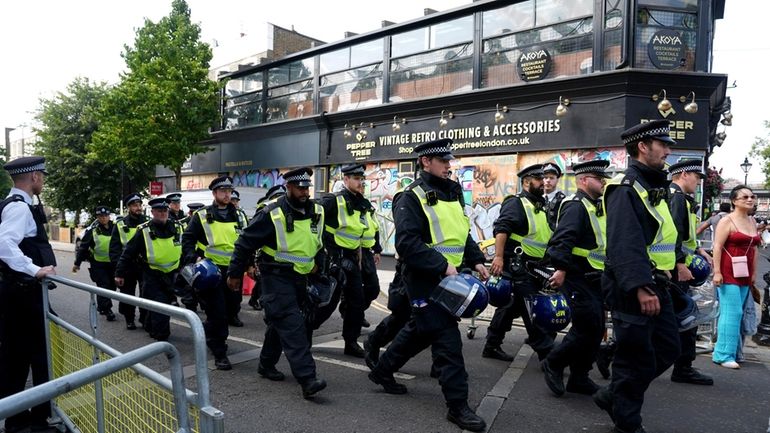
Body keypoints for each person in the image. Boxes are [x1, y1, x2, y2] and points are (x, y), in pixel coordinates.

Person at [367, 139, 489, 432]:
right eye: (442, 160)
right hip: (424, 280)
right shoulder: (410, 197)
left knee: (420, 332)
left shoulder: (453, 192)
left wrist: (477, 260)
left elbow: (462, 235)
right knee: (447, 341)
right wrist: (441, 265)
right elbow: (407, 243)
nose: (449, 165)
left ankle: (383, 370)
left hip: (451, 279)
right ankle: (458, 407)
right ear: (425, 162)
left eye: (449, 160)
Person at [594, 119, 681, 433]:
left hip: (658, 282)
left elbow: (662, 235)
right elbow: (624, 243)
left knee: (669, 348)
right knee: (635, 359)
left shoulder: (653, 186)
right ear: (643, 147)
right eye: (663, 145)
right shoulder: (625, 188)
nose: (669, 151)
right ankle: (628, 423)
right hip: (635, 287)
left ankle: (612, 394)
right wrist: (641, 287)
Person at [226, 167, 327, 399]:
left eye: (306, 188)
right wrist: (235, 273)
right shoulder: (272, 213)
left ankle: (266, 364)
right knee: (293, 326)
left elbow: (320, 243)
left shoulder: (317, 212)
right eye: (299, 188)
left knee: (280, 323)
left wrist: (320, 267)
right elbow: (244, 243)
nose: (304, 192)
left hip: (301, 278)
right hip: (276, 277)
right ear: (288, 187)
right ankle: (308, 379)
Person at [541, 160, 610, 397]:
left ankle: (579, 377)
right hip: (576, 274)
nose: (603, 182)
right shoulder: (575, 205)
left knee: (596, 327)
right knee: (586, 327)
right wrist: (560, 269)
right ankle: (554, 362)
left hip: (595, 276)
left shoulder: (597, 206)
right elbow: (563, 239)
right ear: (583, 180)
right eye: (598, 178)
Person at [0, 156, 58, 433]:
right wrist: (34, 270)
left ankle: (18, 417)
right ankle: (35, 419)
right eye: (42, 176)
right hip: (23, 294)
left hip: (18, 294)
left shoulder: (14, 204)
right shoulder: (19, 208)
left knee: (18, 356)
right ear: (34, 177)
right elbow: (4, 244)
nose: (43, 181)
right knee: (39, 354)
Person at [483, 163, 554, 362]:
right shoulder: (516, 202)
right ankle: (548, 356)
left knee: (511, 306)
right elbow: (502, 229)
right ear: (526, 182)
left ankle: (491, 344)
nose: (544, 183)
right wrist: (498, 257)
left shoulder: (541, 205)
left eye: (545, 179)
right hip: (518, 265)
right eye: (539, 179)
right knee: (531, 309)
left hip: (536, 266)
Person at [312, 163, 381, 357]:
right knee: (328, 302)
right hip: (336, 258)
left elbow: (366, 230)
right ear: (346, 180)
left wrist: (370, 251)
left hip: (355, 257)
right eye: (357, 179)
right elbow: (314, 221)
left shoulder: (362, 202)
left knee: (357, 303)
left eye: (362, 179)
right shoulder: (334, 200)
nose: (361, 183)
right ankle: (305, 330)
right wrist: (328, 254)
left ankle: (350, 342)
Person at [182, 175, 247, 370]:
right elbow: (188, 239)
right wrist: (194, 259)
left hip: (234, 271)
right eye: (223, 191)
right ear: (214, 193)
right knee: (217, 313)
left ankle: (210, 333)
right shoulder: (202, 215)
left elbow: (246, 242)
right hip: (212, 272)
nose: (227, 194)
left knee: (230, 310)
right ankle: (220, 352)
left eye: (229, 191)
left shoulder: (240, 215)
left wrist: (250, 264)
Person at [667, 159, 714, 385]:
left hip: (677, 268)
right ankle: (683, 367)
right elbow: (672, 234)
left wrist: (698, 249)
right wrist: (680, 264)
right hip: (676, 271)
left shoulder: (682, 199)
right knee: (686, 317)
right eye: (696, 177)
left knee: (680, 317)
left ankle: (684, 365)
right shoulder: (676, 197)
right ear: (684, 174)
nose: (698, 182)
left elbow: (684, 236)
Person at [115, 198, 183, 341]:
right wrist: (119, 274)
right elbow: (128, 253)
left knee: (163, 304)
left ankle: (150, 325)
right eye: (159, 211)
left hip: (172, 274)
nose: (163, 213)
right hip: (152, 275)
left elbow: (185, 247)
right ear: (152, 212)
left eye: (165, 211)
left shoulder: (177, 227)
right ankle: (162, 337)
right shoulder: (144, 230)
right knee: (161, 306)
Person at [711, 185, 761, 369]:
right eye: (745, 197)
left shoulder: (752, 221)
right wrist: (717, 271)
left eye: (752, 196)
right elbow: (717, 246)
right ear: (734, 201)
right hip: (728, 271)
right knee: (732, 312)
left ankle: (732, 351)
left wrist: (754, 273)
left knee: (739, 312)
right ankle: (723, 354)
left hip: (745, 273)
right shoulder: (727, 221)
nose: (750, 199)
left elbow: (754, 248)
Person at [110, 192, 149, 330]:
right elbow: (114, 250)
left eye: (139, 205)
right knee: (128, 294)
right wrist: (118, 271)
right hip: (127, 266)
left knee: (146, 294)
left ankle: (144, 318)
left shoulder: (148, 222)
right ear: (128, 207)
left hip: (145, 265)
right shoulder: (120, 225)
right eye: (134, 205)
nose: (138, 208)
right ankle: (129, 319)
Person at [73, 205, 117, 321]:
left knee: (112, 287)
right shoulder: (92, 231)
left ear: (109, 216)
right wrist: (77, 263)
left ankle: (102, 306)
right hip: (98, 264)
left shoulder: (116, 228)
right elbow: (83, 248)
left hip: (113, 264)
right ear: (97, 217)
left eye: (105, 216)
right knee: (104, 286)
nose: (103, 218)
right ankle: (107, 309)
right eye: (100, 216)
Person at [247, 185, 287, 311]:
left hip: (281, 256)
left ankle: (258, 300)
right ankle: (257, 300)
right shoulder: (265, 210)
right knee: (262, 281)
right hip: (264, 254)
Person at [543, 162, 565, 231]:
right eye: (545, 177)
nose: (548, 180)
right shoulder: (536, 198)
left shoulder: (563, 200)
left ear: (557, 180)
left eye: (552, 178)